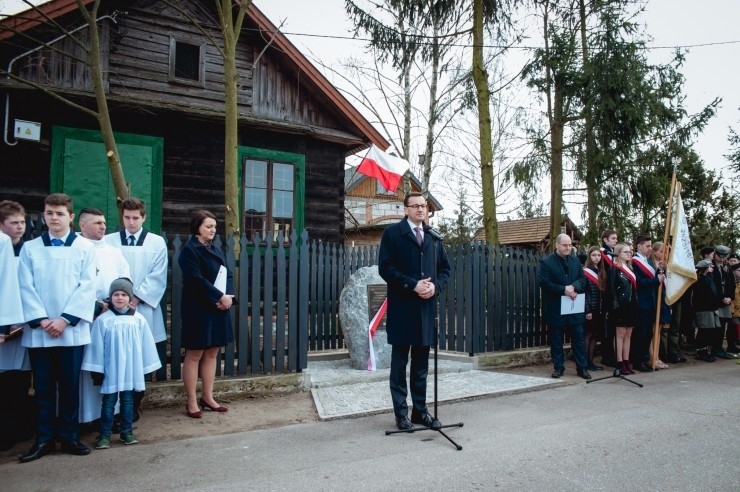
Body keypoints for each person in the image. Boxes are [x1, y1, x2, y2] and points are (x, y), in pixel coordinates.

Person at [17, 193, 97, 462]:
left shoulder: (85, 248)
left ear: (71, 217)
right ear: (43, 215)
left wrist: (64, 319)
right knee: (43, 388)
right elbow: (24, 287)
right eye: (50, 213)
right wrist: (41, 320)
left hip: (70, 331)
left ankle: (69, 436)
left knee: (70, 387)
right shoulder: (31, 249)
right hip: (40, 331)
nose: (54, 218)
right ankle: (44, 440)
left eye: (60, 213)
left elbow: (87, 287)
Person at [378, 192, 451, 430]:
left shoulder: (433, 237)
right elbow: (385, 269)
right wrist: (413, 284)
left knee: (420, 366)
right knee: (399, 366)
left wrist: (435, 287)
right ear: (406, 209)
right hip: (402, 310)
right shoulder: (392, 233)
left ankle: (420, 411)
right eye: (416, 206)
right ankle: (401, 414)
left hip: (426, 311)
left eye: (424, 206)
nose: (421, 209)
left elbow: (445, 271)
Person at [105, 197, 167, 415]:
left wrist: (136, 297)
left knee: (140, 357)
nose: (131, 223)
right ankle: (114, 407)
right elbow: (106, 272)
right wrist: (118, 298)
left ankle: (134, 405)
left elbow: (158, 275)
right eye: (127, 218)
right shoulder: (109, 241)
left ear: (143, 217)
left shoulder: (156, 242)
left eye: (135, 218)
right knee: (117, 356)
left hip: (143, 307)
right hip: (115, 307)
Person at [82, 278, 161, 449]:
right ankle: (104, 435)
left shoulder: (138, 320)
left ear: (130, 297)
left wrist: (145, 369)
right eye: (116, 294)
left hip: (130, 371)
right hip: (111, 370)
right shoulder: (103, 320)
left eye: (124, 294)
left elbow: (146, 345)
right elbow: (96, 347)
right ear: (110, 297)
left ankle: (126, 432)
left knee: (127, 401)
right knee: (109, 402)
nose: (119, 298)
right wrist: (97, 370)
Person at [77, 208, 131, 425]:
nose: (103, 226)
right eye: (97, 223)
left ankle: (108, 416)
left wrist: (114, 303)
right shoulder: (76, 249)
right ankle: (83, 416)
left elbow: (125, 279)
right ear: (82, 225)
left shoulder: (113, 252)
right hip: (82, 318)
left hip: (110, 316)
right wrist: (93, 305)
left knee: (109, 365)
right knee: (85, 368)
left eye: (103, 222)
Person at [178, 210, 234, 418]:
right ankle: (192, 400)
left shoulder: (216, 249)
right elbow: (195, 280)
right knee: (194, 354)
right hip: (198, 308)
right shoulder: (189, 250)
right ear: (197, 227)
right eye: (208, 226)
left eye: (214, 227)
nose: (212, 230)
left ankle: (208, 397)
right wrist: (218, 296)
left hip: (218, 307)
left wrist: (227, 297)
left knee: (212, 353)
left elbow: (227, 274)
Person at [537, 233, 590, 380]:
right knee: (556, 340)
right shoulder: (546, 262)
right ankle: (558, 368)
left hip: (574, 308)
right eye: (565, 245)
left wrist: (573, 286)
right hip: (556, 308)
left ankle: (582, 368)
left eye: (570, 245)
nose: (568, 248)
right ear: (557, 245)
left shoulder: (575, 261)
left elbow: (582, 280)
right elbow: (544, 283)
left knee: (578, 338)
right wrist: (563, 289)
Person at [0, 212, 31, 451]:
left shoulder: (28, 251)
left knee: (20, 377)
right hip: (4, 322)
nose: (20, 227)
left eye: (22, 222)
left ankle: (17, 427)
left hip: (23, 323)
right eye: (14, 223)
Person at [631, 235, 664, 372]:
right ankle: (638, 361)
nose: (650, 248)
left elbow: (655, 277)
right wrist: (656, 280)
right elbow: (638, 282)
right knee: (641, 333)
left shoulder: (649, 262)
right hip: (641, 302)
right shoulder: (634, 261)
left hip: (651, 301)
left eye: (651, 246)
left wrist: (660, 270)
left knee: (648, 333)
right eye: (647, 246)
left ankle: (645, 359)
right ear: (639, 246)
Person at [650, 241, 685, 365]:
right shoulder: (653, 264)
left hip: (675, 297)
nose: (666, 254)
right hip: (662, 299)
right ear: (654, 252)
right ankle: (662, 354)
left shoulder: (673, 264)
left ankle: (673, 351)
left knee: (674, 327)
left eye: (668, 251)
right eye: (663, 251)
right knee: (662, 328)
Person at [607, 242, 638, 375]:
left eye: (630, 252)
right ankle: (619, 362)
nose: (629, 254)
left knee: (628, 335)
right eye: (625, 252)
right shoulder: (614, 269)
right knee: (620, 335)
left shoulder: (630, 269)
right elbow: (611, 291)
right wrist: (614, 307)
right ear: (618, 253)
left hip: (631, 304)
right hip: (620, 305)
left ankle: (626, 361)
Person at [692, 259, 719, 362]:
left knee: (708, 331)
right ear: (706, 268)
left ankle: (705, 351)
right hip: (703, 309)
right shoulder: (700, 280)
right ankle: (700, 352)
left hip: (710, 308)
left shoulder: (709, 278)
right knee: (703, 331)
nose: (712, 268)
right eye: (710, 266)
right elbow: (701, 297)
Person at [583, 246, 605, 372]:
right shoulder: (586, 272)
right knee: (588, 335)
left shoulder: (600, 271)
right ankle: (585, 363)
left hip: (599, 309)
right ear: (589, 257)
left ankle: (591, 362)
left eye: (598, 255)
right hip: (590, 309)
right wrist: (588, 311)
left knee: (595, 336)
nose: (597, 258)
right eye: (594, 255)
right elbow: (585, 293)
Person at [712, 245, 737, 357]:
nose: (721, 259)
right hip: (716, 301)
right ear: (715, 254)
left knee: (723, 326)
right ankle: (714, 348)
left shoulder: (727, 266)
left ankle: (719, 348)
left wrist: (730, 297)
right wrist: (722, 298)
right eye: (719, 256)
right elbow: (713, 286)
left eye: (724, 257)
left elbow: (731, 283)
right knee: (716, 326)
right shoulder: (711, 266)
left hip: (726, 300)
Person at [599, 229, 619, 367]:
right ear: (605, 240)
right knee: (607, 329)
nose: (616, 241)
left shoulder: (614, 254)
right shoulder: (602, 254)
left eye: (616, 238)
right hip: (606, 295)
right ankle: (607, 356)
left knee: (613, 328)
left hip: (615, 295)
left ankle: (612, 355)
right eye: (613, 238)